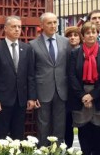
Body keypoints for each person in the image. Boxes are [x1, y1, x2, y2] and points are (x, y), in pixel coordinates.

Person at [67, 22, 100, 155]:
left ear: (97, 34)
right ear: (83, 35)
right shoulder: (75, 53)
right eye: (87, 33)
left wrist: (93, 95)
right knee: (84, 132)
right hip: (80, 96)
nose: (90, 35)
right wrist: (83, 96)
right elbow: (72, 76)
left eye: (93, 32)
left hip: (99, 95)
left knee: (98, 132)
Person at [0, 16, 36, 141]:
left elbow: (31, 75)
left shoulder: (27, 49)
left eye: (19, 27)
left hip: (21, 100)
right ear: (5, 28)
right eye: (13, 26)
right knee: (1, 135)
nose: (17, 29)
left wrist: (31, 97)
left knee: (18, 134)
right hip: (3, 100)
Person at [30, 12, 70, 146]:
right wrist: (33, 95)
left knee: (59, 126)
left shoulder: (65, 42)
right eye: (49, 23)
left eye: (55, 22)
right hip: (43, 91)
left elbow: (69, 67)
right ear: (42, 25)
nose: (53, 25)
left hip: (61, 90)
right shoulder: (33, 45)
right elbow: (31, 72)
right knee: (43, 126)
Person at [63, 25, 80, 148]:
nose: (72, 38)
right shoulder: (63, 52)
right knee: (68, 124)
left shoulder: (84, 51)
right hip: (67, 92)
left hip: (82, 91)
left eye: (75, 35)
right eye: (69, 36)